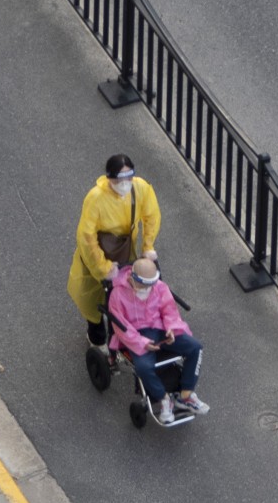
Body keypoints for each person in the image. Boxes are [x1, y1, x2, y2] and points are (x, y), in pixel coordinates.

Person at [68, 154, 161, 347]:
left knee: (125, 297)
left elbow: (152, 216)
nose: (125, 183)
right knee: (92, 299)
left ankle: (125, 333)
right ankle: (96, 335)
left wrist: (148, 247)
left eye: (129, 177)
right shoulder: (96, 198)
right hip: (96, 257)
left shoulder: (141, 188)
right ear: (110, 178)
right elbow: (87, 237)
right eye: (119, 178)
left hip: (125, 254)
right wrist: (103, 267)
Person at [107, 258, 210, 424]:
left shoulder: (159, 287)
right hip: (137, 335)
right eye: (145, 286)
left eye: (151, 285)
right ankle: (164, 399)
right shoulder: (117, 295)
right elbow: (122, 328)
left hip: (161, 329)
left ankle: (186, 395)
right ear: (132, 279)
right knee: (143, 367)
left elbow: (169, 311)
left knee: (195, 347)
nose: (148, 289)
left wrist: (171, 329)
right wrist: (142, 343)